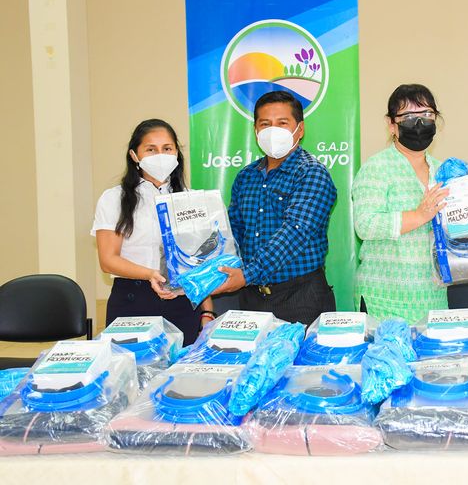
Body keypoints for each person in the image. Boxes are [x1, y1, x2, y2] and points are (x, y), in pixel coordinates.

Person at [211, 91, 337, 326]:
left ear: (300, 129)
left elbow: (295, 233)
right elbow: (233, 231)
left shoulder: (311, 173)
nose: (273, 130)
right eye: (265, 124)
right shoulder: (246, 176)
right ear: (256, 130)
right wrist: (205, 269)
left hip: (301, 298)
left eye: (282, 123)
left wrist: (246, 275)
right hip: (251, 297)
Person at [93, 119, 214, 344]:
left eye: (167, 149)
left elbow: (199, 263)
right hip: (133, 299)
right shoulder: (114, 199)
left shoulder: (191, 199)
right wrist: (149, 274)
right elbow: (108, 260)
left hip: (183, 301)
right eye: (151, 149)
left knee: (181, 365)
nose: (160, 155)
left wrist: (207, 311)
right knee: (132, 365)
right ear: (134, 155)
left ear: (176, 154)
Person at [352, 84, 449, 322]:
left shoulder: (442, 171)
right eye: (408, 117)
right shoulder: (377, 167)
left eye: (427, 114)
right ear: (392, 124)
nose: (419, 123)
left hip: (433, 297)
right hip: (384, 299)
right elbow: (365, 225)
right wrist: (419, 215)